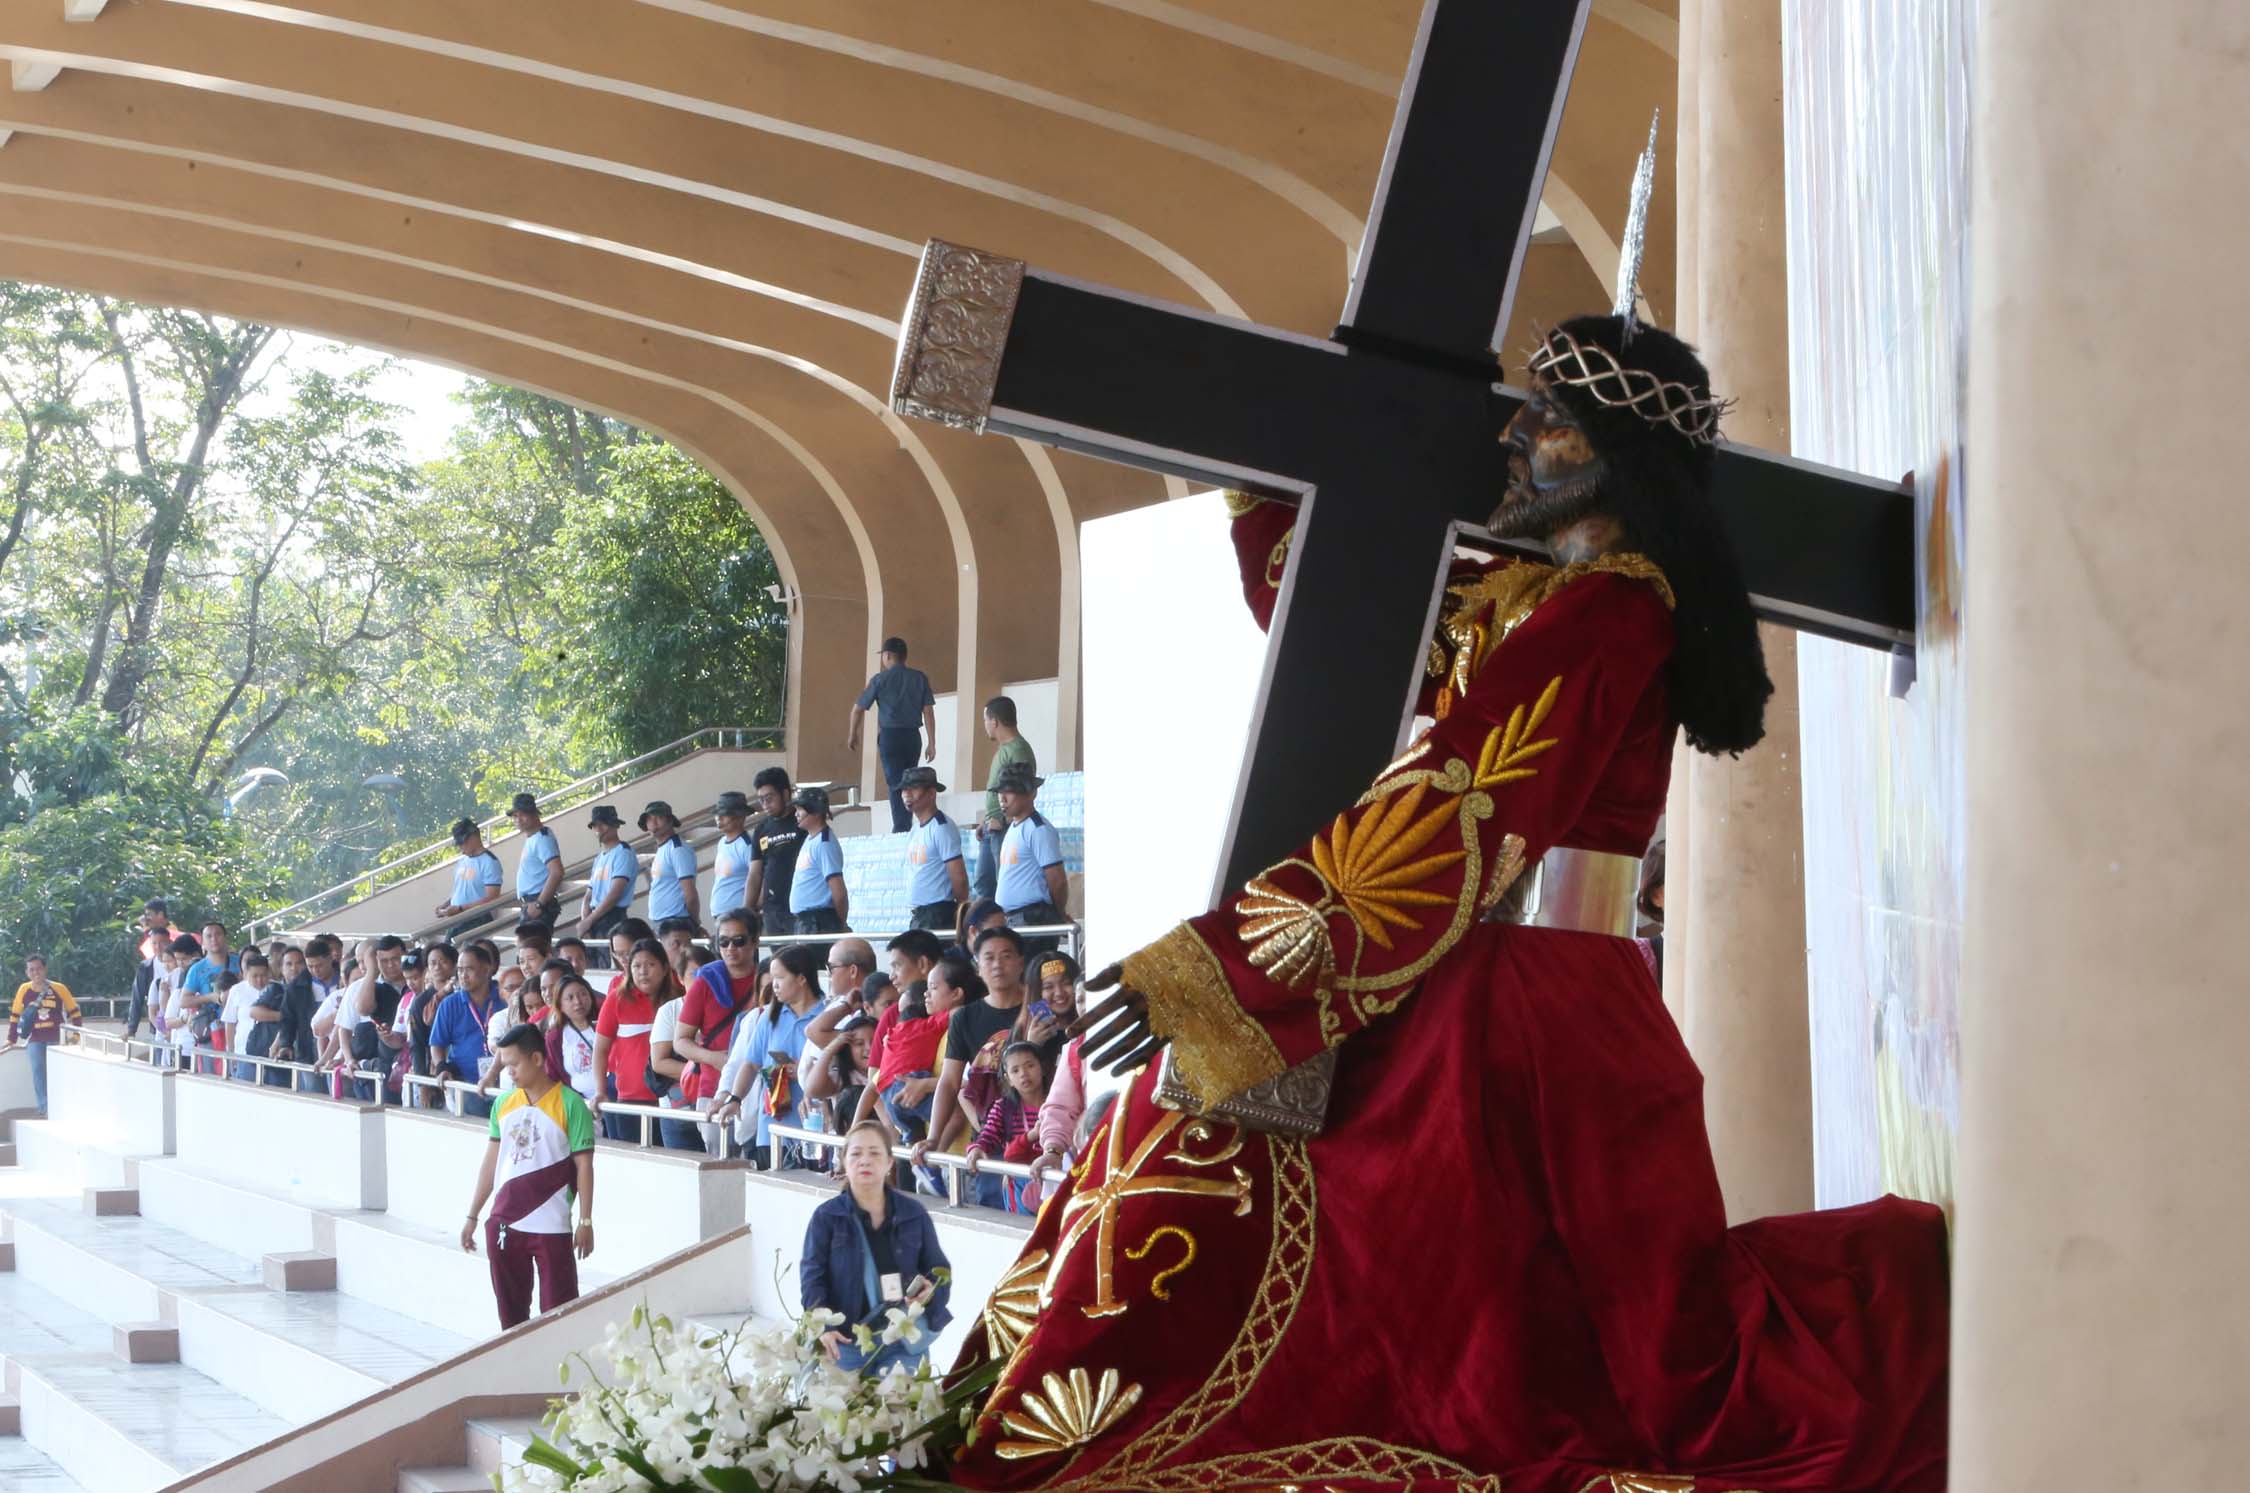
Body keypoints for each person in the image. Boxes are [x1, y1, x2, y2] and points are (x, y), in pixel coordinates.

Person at [946, 314, 1949, 1493]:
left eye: (1552, 422)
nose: (1515, 437)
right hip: (1481, 1005)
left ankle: (1918, 1306)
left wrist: (1221, 970)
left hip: (1537, 1029)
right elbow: (1371, 632)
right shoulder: (1538, 597)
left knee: (1646, 1367)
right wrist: (1267, 461)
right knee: (1471, 1316)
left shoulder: (1615, 609)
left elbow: (1455, 806)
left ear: (1618, 461)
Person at [460, 1023, 595, 1329]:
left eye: (513, 1064)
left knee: (558, 1316)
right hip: (505, 1223)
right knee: (511, 1318)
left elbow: (584, 1166)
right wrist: (473, 1215)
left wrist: (585, 1220)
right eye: (505, 1066)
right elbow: (491, 1162)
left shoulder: (571, 1105)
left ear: (536, 1059)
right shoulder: (503, 1104)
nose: (509, 1073)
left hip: (552, 1225)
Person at [799, 1121, 952, 1376]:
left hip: (903, 1340)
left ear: (890, 1162)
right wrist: (824, 1327)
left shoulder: (913, 1213)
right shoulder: (826, 1217)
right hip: (846, 1343)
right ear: (844, 1161)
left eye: (874, 1153)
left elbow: (939, 1270)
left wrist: (930, 1290)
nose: (865, 1161)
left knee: (900, 1410)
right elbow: (812, 1279)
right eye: (856, 1154)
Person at [919, 927, 1028, 1165]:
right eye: (989, 958)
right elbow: (949, 1081)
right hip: (989, 1139)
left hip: (1036, 1131)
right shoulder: (964, 1018)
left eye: (1006, 956)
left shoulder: (1037, 1008)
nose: (998, 964)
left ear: (1021, 963)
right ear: (978, 968)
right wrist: (933, 1137)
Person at [711, 943, 827, 1164]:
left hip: (813, 1127)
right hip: (771, 1128)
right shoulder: (769, 1016)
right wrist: (734, 1099)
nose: (774, 985)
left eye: (780, 978)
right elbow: (750, 1064)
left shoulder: (825, 1016)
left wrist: (804, 1072)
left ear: (802, 979)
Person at [675, 908, 760, 1152]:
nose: (730, 948)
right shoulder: (705, 981)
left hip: (758, 1086)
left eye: (739, 941)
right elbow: (681, 1041)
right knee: (720, 1162)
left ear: (755, 941)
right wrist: (715, 1059)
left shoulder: (768, 978)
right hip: (713, 1088)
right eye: (723, 942)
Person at [846, 635, 937, 833]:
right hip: (913, 737)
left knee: (896, 783)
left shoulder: (879, 680)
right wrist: (932, 742)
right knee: (911, 781)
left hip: (890, 737)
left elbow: (858, 709)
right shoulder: (919, 678)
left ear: (887, 656)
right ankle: (911, 824)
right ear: (904, 657)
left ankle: (901, 827)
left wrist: (853, 734)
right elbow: (928, 711)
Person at [592, 936, 673, 1144]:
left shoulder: (679, 998)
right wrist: (600, 1091)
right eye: (636, 966)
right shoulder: (617, 999)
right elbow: (600, 1050)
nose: (643, 971)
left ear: (665, 968)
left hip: (674, 1099)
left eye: (650, 965)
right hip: (630, 1100)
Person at [962, 1040, 1050, 1214]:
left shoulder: (1058, 1104)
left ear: (1043, 1068)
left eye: (1030, 1066)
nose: (1024, 1074)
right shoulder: (1003, 1107)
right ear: (1008, 1079)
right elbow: (987, 1135)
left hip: (1054, 1179)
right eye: (1015, 1070)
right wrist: (977, 1148)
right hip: (1019, 1184)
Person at [430, 940, 506, 1118]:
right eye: (460, 970)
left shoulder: (504, 998)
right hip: (467, 1083)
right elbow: (437, 1044)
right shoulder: (450, 1004)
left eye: (469, 969)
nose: (463, 975)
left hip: (505, 1082)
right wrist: (442, 1067)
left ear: (487, 970)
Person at [990, 765, 1068, 937]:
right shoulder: (1014, 828)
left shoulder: (1038, 830)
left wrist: (1058, 914)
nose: (1002, 798)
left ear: (1031, 793)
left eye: (1010, 791)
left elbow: (1057, 880)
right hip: (1012, 919)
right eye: (1000, 791)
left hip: (1032, 918)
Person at [972, 695, 1036, 903]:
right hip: (993, 825)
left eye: (985, 720)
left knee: (1001, 882)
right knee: (984, 883)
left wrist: (1002, 818)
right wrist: (988, 818)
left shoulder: (1017, 750)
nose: (985, 726)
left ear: (994, 721)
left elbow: (1020, 789)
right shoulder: (1005, 750)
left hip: (1003, 827)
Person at [3, 955, 78, 1115]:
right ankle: (45, 1107)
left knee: (57, 1072)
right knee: (38, 1072)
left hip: (56, 1038)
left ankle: (61, 1106)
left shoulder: (59, 988)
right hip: (35, 1039)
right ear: (26, 972)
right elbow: (15, 1015)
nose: (35, 972)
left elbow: (75, 1011)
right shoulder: (24, 989)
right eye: (31, 969)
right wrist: (11, 1039)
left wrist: (76, 1035)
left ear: (45, 969)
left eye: (38, 968)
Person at [898, 765, 968, 932]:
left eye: (914, 788)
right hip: (919, 914)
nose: (907, 794)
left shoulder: (942, 827)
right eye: (904, 790)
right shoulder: (915, 830)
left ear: (931, 793)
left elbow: (959, 878)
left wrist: (960, 915)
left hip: (938, 914)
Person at [744, 767, 805, 938]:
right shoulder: (761, 829)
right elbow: (755, 874)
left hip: (798, 909)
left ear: (785, 794)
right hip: (772, 911)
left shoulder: (802, 822)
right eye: (761, 800)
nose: (765, 805)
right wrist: (746, 911)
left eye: (769, 798)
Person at [787, 786, 849, 936]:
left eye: (800, 810)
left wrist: (840, 924)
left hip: (819, 922)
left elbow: (838, 891)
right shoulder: (810, 839)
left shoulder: (824, 843)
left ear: (815, 812)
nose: (796, 814)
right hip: (806, 921)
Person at [434, 819, 505, 937]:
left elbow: (492, 897)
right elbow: (459, 890)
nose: (461, 847)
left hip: (477, 918)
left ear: (473, 837)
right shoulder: (462, 861)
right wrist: (446, 905)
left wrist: (461, 908)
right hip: (457, 919)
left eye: (462, 843)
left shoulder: (489, 862)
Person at [580, 805, 640, 941]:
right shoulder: (599, 858)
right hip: (594, 918)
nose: (599, 829)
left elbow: (615, 894)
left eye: (604, 824)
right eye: (595, 826)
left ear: (615, 825)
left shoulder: (623, 852)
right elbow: (588, 896)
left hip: (613, 917)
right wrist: (586, 922)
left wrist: (588, 921)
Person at [544, 973, 605, 1108]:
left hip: (610, 1101)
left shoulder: (605, 1025)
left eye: (583, 994)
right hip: (579, 1106)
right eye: (570, 998)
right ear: (560, 1004)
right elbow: (553, 1075)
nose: (578, 1001)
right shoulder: (555, 1037)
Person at [508, 793, 565, 929]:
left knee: (533, 947)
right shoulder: (533, 838)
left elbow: (557, 872)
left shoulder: (542, 838)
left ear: (534, 814)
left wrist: (539, 904)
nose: (518, 819)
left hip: (538, 902)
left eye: (523, 814)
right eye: (515, 815)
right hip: (531, 903)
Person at [640, 801, 700, 929]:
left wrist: (694, 924)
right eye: (649, 819)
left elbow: (690, 894)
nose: (653, 823)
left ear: (670, 821)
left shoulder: (677, 849)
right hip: (662, 921)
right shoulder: (663, 848)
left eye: (659, 818)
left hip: (677, 921)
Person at [221, 949, 272, 1082]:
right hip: (243, 1053)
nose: (260, 980)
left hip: (271, 1054)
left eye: (263, 975)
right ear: (245, 974)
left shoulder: (277, 990)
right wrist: (231, 1053)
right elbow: (230, 1023)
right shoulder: (237, 990)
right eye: (255, 976)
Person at [126, 897, 172, 1041]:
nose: (147, 919)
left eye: (149, 914)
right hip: (158, 1026)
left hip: (178, 1024)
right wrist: (131, 1029)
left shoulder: (176, 937)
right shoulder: (146, 967)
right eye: (154, 943)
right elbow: (138, 997)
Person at [709, 789, 756, 921]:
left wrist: (748, 908)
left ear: (740, 817)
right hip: (719, 913)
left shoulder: (746, 845)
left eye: (725, 814)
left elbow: (758, 877)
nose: (719, 818)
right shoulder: (721, 843)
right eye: (718, 814)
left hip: (737, 915)